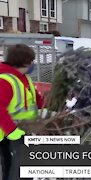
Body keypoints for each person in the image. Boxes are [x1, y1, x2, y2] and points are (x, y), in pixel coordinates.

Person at [0, 44, 43, 180]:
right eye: (31, 62)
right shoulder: (5, 81)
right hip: (7, 134)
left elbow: (35, 100)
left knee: (21, 168)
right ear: (25, 62)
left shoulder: (23, 78)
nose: (33, 65)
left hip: (23, 129)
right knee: (12, 169)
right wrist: (11, 131)